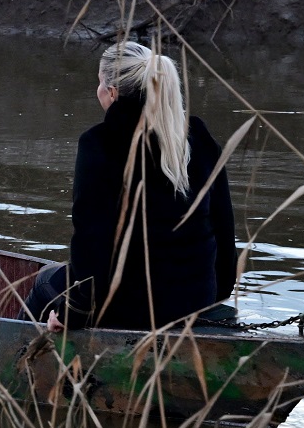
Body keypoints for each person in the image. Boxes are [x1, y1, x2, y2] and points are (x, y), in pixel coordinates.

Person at [25, 41, 238, 330]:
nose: (98, 91)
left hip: (130, 309)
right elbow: (224, 228)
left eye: (100, 84)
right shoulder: (197, 136)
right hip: (198, 299)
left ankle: (8, 364)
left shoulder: (100, 144)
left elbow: (93, 244)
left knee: (44, 281)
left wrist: (70, 314)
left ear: (112, 93)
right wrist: (214, 295)